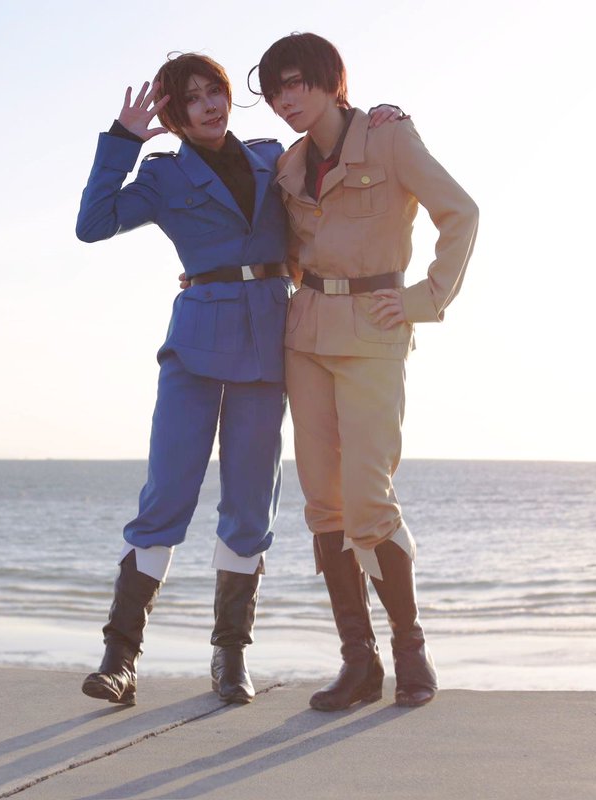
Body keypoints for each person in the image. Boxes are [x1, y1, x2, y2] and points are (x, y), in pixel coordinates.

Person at [76, 52, 400, 707]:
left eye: (215, 92)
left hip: (266, 343)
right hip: (195, 345)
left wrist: (381, 120)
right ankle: (120, 659)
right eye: (192, 98)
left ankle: (230, 657)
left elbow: (333, 160)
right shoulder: (163, 174)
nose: (208, 105)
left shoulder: (271, 158)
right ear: (174, 115)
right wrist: (122, 142)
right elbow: (93, 223)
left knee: (250, 506)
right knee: (167, 495)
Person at [256, 32, 479, 710]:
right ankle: (359, 662)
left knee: (368, 499)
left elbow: (461, 212)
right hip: (305, 336)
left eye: (296, 83)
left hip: (375, 331)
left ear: (331, 81)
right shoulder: (289, 165)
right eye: (275, 91)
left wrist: (425, 298)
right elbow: (287, 248)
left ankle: (411, 649)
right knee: (323, 503)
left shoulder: (388, 138)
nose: (285, 100)